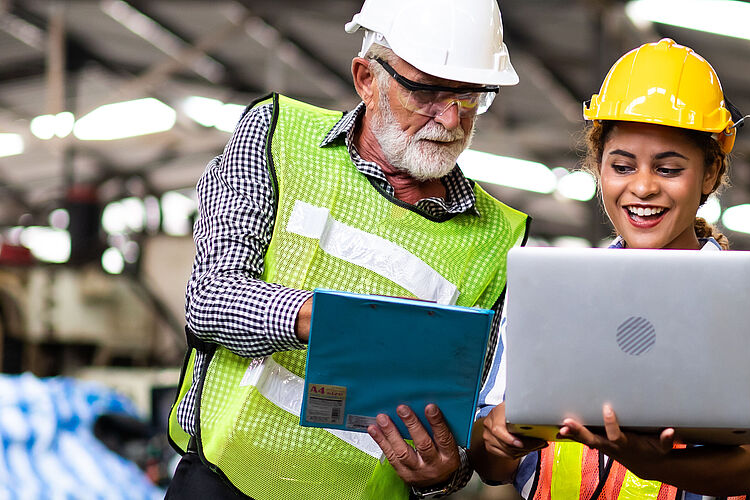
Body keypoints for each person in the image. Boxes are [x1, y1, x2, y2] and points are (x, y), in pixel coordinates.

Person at [163, 0, 529, 498]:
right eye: (426, 92)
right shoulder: (279, 137)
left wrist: (444, 474)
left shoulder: (495, 237)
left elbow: (465, 428)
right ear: (366, 78)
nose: (450, 119)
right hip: (223, 482)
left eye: (469, 97)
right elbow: (210, 299)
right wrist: (337, 322)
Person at [467, 39, 750, 500]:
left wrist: (654, 463)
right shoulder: (551, 291)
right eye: (622, 166)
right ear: (598, 169)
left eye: (668, 169)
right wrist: (498, 439)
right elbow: (489, 463)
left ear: (709, 174)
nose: (642, 187)